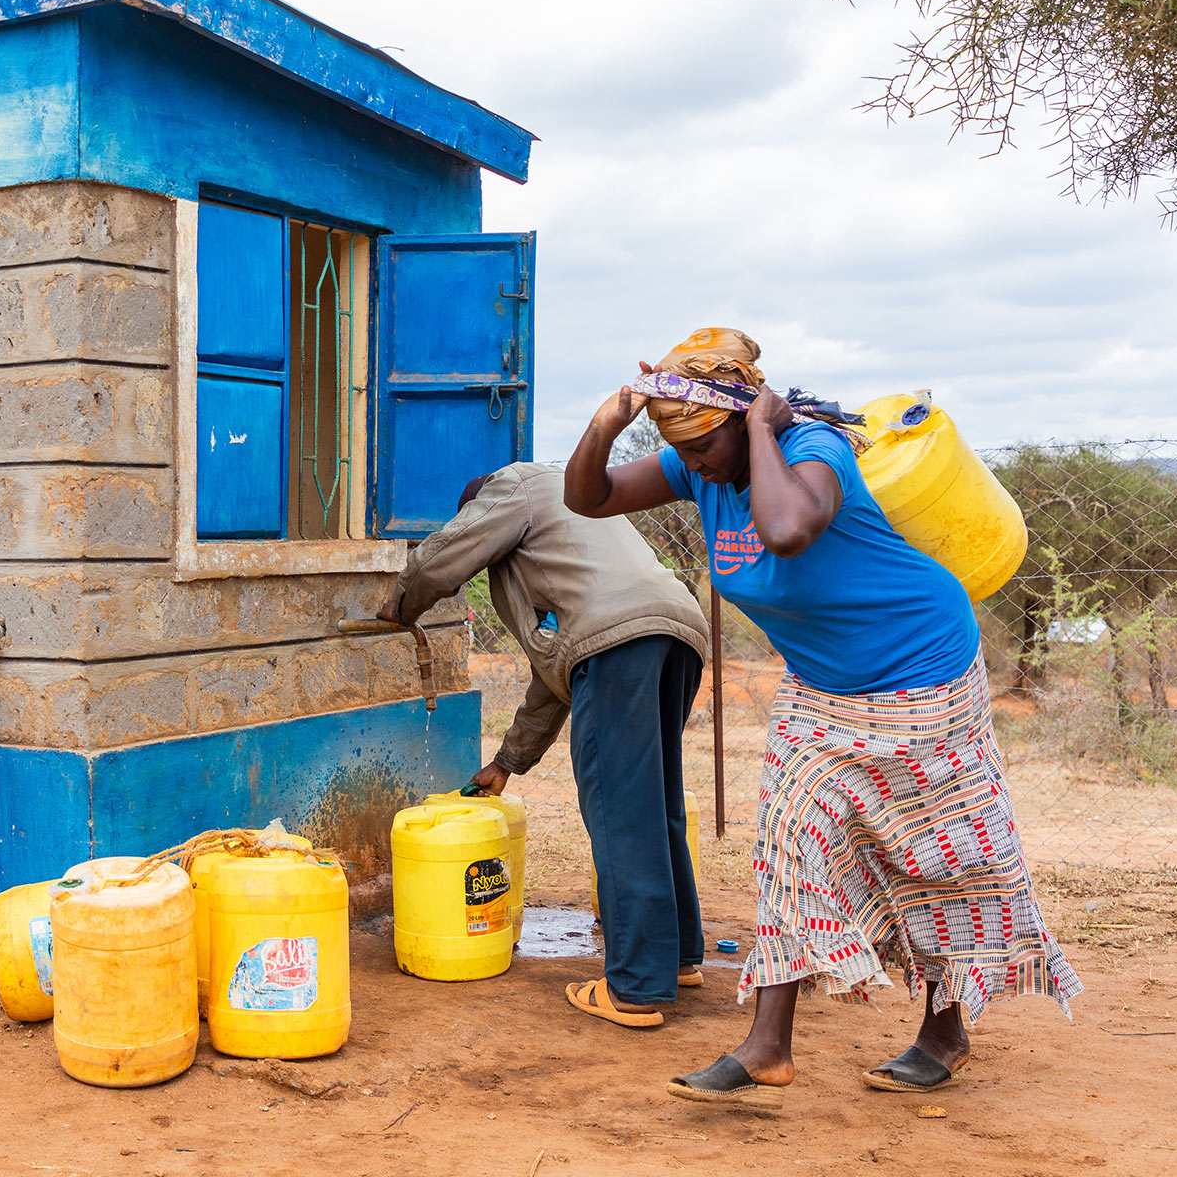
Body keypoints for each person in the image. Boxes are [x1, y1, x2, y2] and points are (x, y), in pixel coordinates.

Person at [566, 327, 1080, 1108]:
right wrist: (608, 422)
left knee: (930, 856)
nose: (697, 464)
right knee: (789, 843)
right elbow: (590, 497)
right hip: (822, 689)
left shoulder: (814, 451)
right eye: (687, 451)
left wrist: (770, 433)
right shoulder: (696, 464)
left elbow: (789, 529)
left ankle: (945, 1032)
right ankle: (768, 1046)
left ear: (746, 418)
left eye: (708, 446)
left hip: (923, 675)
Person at [378, 463, 710, 1027]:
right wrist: (507, 763)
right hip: (677, 634)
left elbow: (444, 553)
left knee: (619, 812)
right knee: (655, 803)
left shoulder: (516, 485)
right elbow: (558, 671)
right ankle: (676, 956)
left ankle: (634, 986)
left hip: (619, 646)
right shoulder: (572, 534)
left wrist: (401, 603)